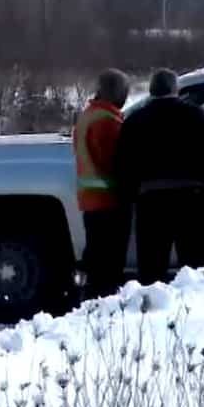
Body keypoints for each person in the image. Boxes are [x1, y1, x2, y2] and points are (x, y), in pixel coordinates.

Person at [114, 68, 204, 285]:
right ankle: (198, 312)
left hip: (151, 201)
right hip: (192, 199)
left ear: (151, 91)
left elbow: (123, 165)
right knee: (198, 269)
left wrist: (133, 195)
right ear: (176, 90)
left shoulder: (135, 121)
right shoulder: (196, 116)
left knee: (152, 270)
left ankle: (152, 312)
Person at [73, 68, 131, 298]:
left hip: (90, 198)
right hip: (108, 199)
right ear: (116, 92)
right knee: (109, 262)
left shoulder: (89, 115)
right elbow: (116, 161)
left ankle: (89, 298)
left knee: (95, 256)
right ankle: (102, 303)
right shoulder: (107, 120)